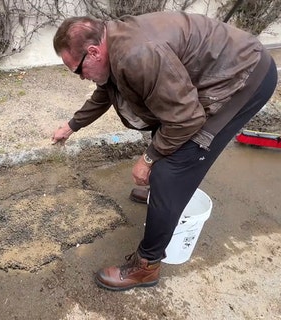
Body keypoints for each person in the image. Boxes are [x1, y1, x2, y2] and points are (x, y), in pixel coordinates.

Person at [51, 11, 277, 291]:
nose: (81, 77)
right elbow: (106, 92)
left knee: (172, 169)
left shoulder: (137, 55)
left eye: (77, 70)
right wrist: (72, 125)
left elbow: (186, 119)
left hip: (243, 79)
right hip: (219, 72)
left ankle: (146, 266)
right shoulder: (115, 45)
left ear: (94, 51)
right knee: (166, 136)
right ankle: (160, 199)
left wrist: (148, 159)